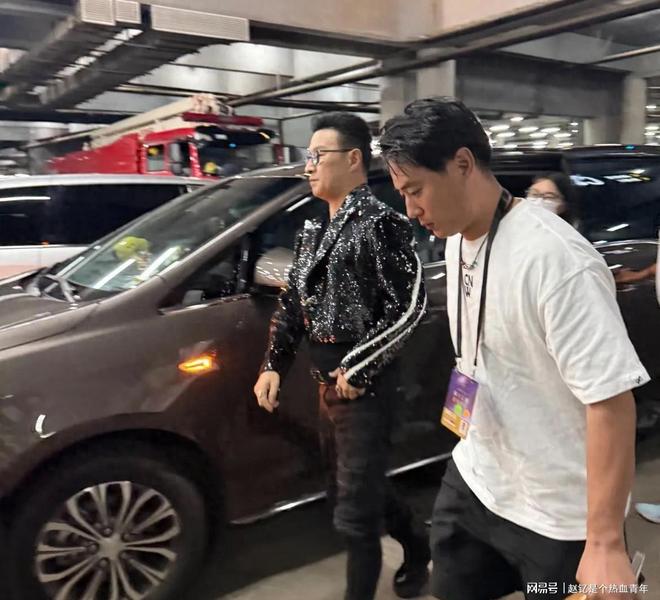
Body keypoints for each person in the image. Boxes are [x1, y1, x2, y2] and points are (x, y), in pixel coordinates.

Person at [379, 97, 650, 600]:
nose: (411, 210)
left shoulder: (557, 261)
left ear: (463, 164)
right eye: (403, 194)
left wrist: (605, 541)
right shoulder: (458, 238)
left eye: (416, 191)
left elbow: (611, 402)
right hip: (477, 478)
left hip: (557, 515)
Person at [253, 112, 430, 600]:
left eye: (317, 156)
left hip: (365, 390)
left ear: (353, 159)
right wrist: (274, 364)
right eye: (306, 157)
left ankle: (403, 557)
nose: (308, 166)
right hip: (327, 386)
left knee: (355, 516)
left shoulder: (382, 224)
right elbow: (294, 303)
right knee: (349, 489)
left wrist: (360, 366)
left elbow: (410, 306)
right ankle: (418, 541)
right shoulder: (313, 229)